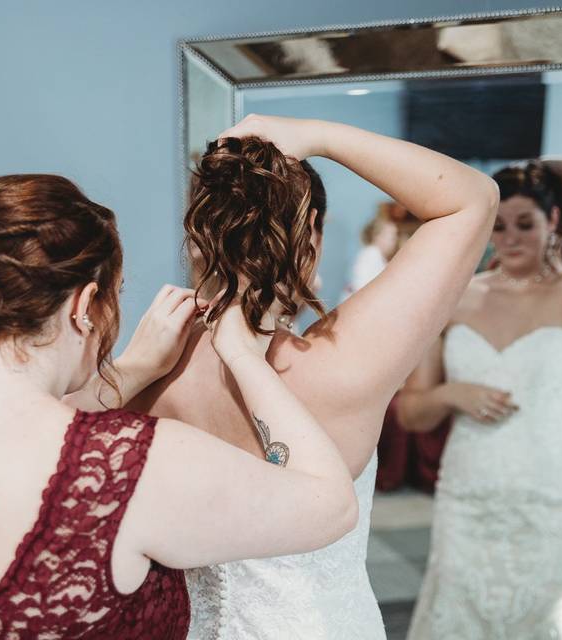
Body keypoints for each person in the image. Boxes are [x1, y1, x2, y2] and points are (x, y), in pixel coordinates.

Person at [0, 174, 358, 639]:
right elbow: (332, 505)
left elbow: (13, 421)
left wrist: (133, 370)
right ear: (86, 306)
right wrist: (245, 357)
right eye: (116, 295)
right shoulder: (125, 460)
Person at [127, 115, 499, 639]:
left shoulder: (148, 365)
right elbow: (473, 198)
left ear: (196, 234)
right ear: (311, 238)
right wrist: (321, 136)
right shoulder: (339, 364)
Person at [398, 158, 562, 639]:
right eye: (498, 225)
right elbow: (411, 413)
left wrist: (548, 165)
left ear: (553, 221)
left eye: (524, 224)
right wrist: (450, 393)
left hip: (558, 497)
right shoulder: (455, 297)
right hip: (469, 497)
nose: (508, 239)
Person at [341, 204, 400, 300]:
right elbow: (360, 285)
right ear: (378, 236)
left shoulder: (377, 256)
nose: (394, 241)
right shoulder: (370, 255)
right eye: (392, 237)